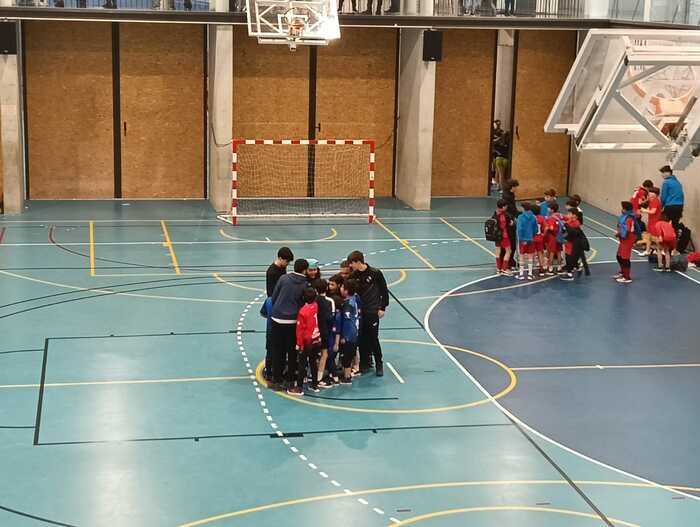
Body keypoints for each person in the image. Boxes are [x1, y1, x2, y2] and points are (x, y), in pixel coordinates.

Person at [347, 250, 389, 376]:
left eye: (352, 263)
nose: (350, 266)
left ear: (358, 262)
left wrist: (382, 308)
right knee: (362, 338)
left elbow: (384, 291)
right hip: (360, 312)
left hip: (372, 311)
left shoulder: (375, 273)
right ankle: (365, 363)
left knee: (373, 338)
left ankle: (379, 363)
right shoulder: (353, 276)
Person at [269, 258, 309, 389]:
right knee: (292, 352)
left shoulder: (283, 278)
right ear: (305, 270)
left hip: (277, 318)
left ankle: (276, 379)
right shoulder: (305, 284)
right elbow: (303, 303)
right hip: (292, 321)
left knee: (277, 350)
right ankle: (290, 380)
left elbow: (274, 297)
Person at [262, 247, 294, 380]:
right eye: (286, 261)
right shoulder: (272, 272)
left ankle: (279, 365)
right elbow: (272, 293)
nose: (287, 264)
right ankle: (269, 369)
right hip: (274, 305)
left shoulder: (282, 269)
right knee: (271, 340)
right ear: (280, 258)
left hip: (279, 304)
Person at [291, 287, 322, 396]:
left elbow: (300, 330)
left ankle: (299, 387)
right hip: (316, 339)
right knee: (313, 362)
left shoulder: (302, 311)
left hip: (306, 342)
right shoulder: (316, 305)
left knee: (302, 364)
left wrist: (299, 344)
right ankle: (315, 384)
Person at [336, 279, 360, 385]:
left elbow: (348, 323)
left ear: (346, 291)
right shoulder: (355, 298)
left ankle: (347, 377)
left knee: (347, 356)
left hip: (349, 335)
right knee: (349, 355)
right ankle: (347, 374)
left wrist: (345, 337)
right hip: (355, 333)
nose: (340, 288)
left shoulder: (347, 305)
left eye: (342, 287)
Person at [313, 279, 336, 388]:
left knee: (312, 355)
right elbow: (331, 317)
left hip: (313, 332)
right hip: (324, 332)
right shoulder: (330, 301)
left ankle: (311, 376)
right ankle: (318, 379)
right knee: (324, 354)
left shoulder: (312, 300)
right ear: (326, 288)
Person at [559, 209, 587, 281]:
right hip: (568, 243)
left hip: (573, 244)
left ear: (574, 215)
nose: (567, 215)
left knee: (569, 258)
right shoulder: (570, 221)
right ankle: (577, 267)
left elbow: (572, 232)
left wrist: (565, 225)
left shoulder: (576, 223)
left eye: (569, 214)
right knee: (569, 257)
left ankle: (569, 274)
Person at [615, 201, 638, 284]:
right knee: (619, 256)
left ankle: (627, 277)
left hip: (628, 239)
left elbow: (627, 230)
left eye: (623, 208)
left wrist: (619, 234)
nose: (622, 209)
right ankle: (623, 272)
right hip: (623, 239)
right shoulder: (624, 217)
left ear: (626, 209)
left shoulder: (629, 218)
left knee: (625, 258)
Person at [516, 202, 538, 280]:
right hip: (531, 239)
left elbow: (520, 229)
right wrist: (532, 236)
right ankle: (530, 274)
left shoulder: (520, 217)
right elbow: (536, 229)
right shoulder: (534, 217)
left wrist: (521, 238)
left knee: (521, 256)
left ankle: (521, 274)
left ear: (523, 208)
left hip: (522, 240)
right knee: (530, 256)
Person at [493, 199, 515, 276]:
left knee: (498, 250)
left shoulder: (495, 213)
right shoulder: (503, 215)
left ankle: (498, 268)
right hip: (504, 236)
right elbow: (507, 225)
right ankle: (504, 268)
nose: (506, 207)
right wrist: (511, 223)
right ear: (503, 207)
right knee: (508, 251)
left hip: (496, 236)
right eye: (506, 206)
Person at [659, 165, 684, 230]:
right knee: (675, 225)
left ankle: (665, 236)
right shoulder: (677, 182)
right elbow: (681, 195)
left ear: (668, 172)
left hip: (670, 206)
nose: (662, 175)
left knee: (663, 225)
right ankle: (675, 236)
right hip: (679, 206)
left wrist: (661, 207)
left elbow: (663, 197)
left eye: (663, 173)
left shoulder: (666, 182)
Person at [544, 202, 565, 275]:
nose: (547, 209)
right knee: (559, 252)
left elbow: (551, 228)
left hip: (552, 237)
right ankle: (559, 268)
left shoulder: (551, 218)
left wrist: (546, 229)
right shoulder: (560, 215)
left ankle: (550, 268)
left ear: (552, 210)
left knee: (551, 252)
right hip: (560, 237)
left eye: (549, 208)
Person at [639, 187, 661, 256]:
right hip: (651, 221)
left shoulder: (655, 201)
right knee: (649, 236)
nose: (650, 193)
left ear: (656, 194)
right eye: (650, 192)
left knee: (655, 238)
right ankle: (648, 250)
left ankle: (659, 250)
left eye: (652, 192)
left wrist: (644, 210)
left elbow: (653, 211)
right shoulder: (651, 200)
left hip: (655, 222)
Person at [532, 203, 546, 276]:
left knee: (531, 253)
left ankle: (531, 268)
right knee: (540, 253)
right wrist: (543, 234)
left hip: (532, 238)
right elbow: (546, 227)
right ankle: (541, 268)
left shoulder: (531, 218)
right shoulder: (541, 218)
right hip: (539, 238)